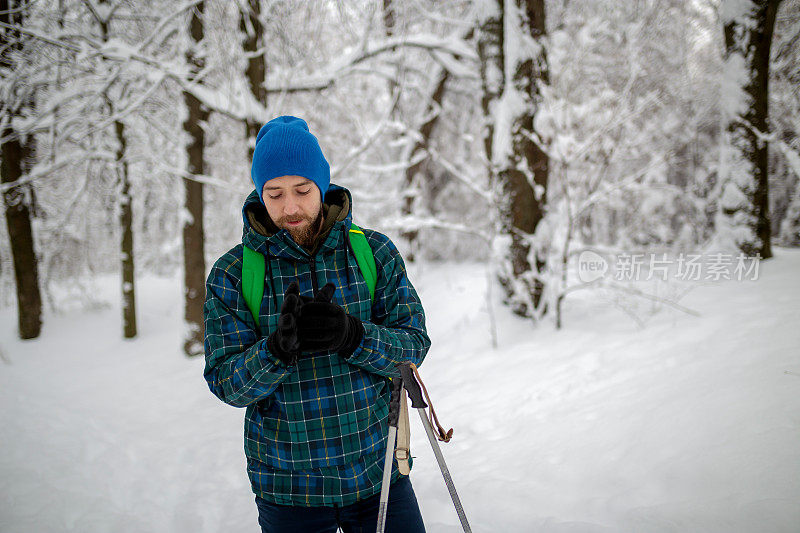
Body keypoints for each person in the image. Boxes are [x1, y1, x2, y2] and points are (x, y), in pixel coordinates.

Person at [203, 115, 430, 532]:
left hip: (378, 475)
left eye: (302, 190)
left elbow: (414, 344)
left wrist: (354, 335)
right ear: (259, 193)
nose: (290, 207)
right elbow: (226, 383)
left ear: (322, 186)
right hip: (290, 492)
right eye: (274, 194)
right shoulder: (233, 274)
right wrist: (274, 352)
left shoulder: (373, 253)